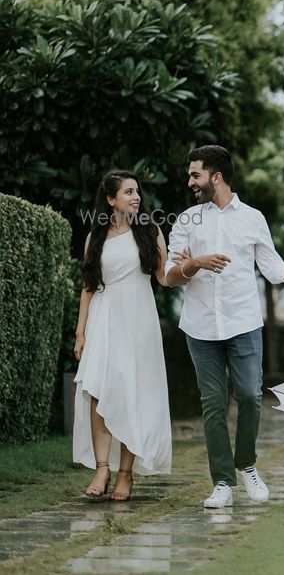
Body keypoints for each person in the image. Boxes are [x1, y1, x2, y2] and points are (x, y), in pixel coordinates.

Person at [165, 145, 284, 508]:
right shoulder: (186, 220)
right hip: (200, 327)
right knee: (213, 404)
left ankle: (246, 465)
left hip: (243, 323)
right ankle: (223, 483)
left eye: (195, 174)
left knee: (249, 396)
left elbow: (275, 271)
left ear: (216, 177)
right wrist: (195, 263)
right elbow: (169, 276)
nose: (189, 181)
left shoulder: (253, 218)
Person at [74, 170, 174, 501]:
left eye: (137, 191)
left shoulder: (151, 231)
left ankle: (125, 475)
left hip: (138, 319)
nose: (136, 197)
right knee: (99, 392)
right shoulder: (95, 238)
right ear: (110, 199)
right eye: (128, 192)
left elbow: (165, 278)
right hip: (104, 318)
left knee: (134, 393)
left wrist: (190, 267)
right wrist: (80, 333)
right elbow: (88, 288)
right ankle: (102, 467)